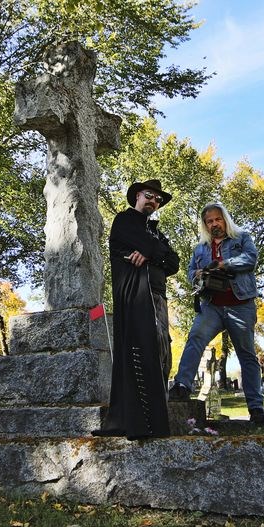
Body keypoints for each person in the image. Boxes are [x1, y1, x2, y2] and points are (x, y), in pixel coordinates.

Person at [93, 179, 180, 440]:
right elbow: (156, 249)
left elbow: (173, 261)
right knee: (141, 350)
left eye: (157, 199)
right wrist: (153, 251)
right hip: (136, 296)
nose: (153, 201)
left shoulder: (154, 231)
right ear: (137, 197)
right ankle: (139, 422)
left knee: (161, 350)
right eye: (149, 195)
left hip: (157, 296)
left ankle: (156, 417)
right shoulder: (125, 220)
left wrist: (150, 252)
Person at [168, 202, 264, 425]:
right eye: (209, 221)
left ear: (225, 219)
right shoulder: (200, 249)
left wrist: (224, 264)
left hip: (240, 303)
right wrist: (197, 273)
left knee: (246, 353)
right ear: (205, 225)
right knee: (195, 338)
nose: (214, 224)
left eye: (217, 219)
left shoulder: (242, 238)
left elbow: (250, 259)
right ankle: (182, 386)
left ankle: (256, 407)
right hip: (212, 305)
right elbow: (189, 274)